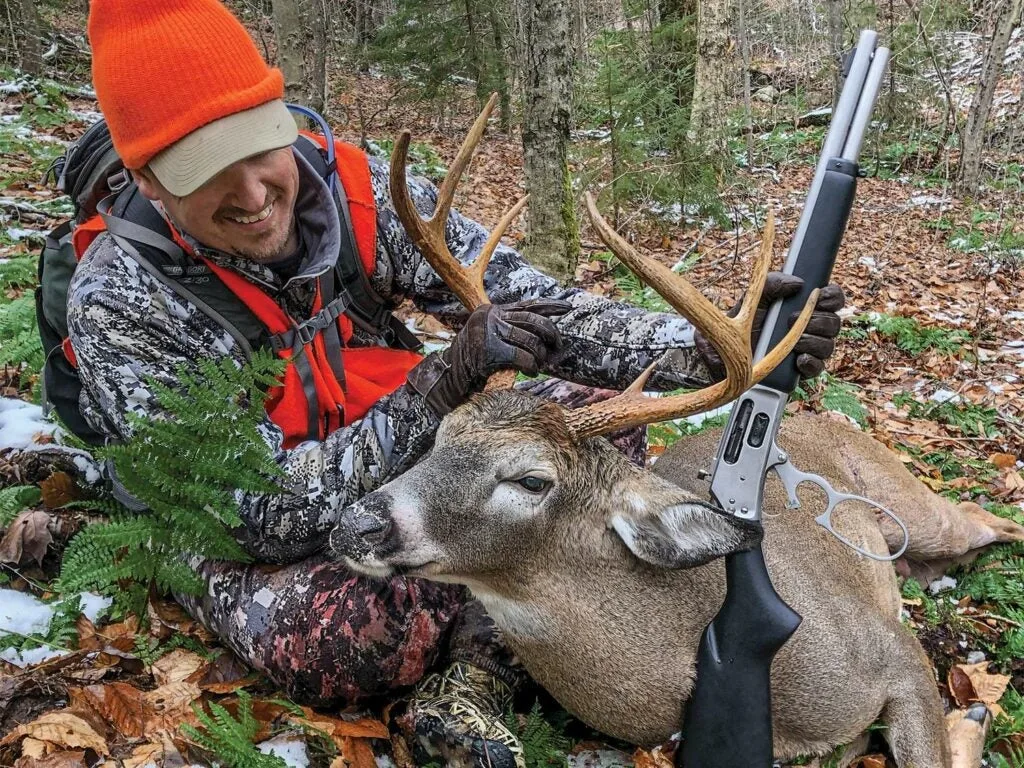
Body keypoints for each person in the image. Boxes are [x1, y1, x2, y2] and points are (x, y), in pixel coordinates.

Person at [71, 1, 845, 765]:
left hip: (408, 472)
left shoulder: (353, 191)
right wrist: (438, 390)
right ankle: (491, 642)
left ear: (283, 116)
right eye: (206, 174)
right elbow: (260, 515)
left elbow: (540, 312)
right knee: (342, 636)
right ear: (149, 178)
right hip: (237, 525)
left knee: (585, 427)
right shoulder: (121, 300)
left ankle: (471, 682)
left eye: (259, 148)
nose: (251, 194)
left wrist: (701, 352)